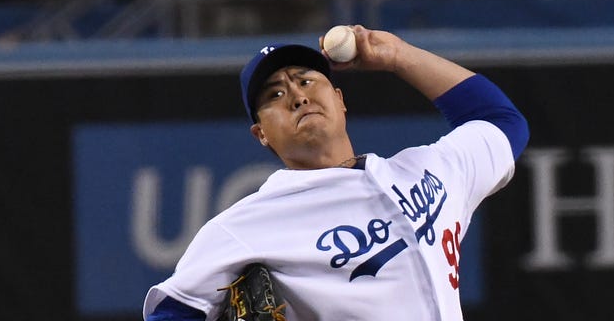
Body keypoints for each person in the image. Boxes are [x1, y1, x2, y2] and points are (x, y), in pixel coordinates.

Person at [143, 26, 529, 320]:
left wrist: (398, 55)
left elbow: (501, 122)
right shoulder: (245, 225)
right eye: (274, 95)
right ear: (261, 134)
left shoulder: (425, 170)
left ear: (340, 101)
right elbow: (172, 310)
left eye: (306, 80)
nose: (297, 95)